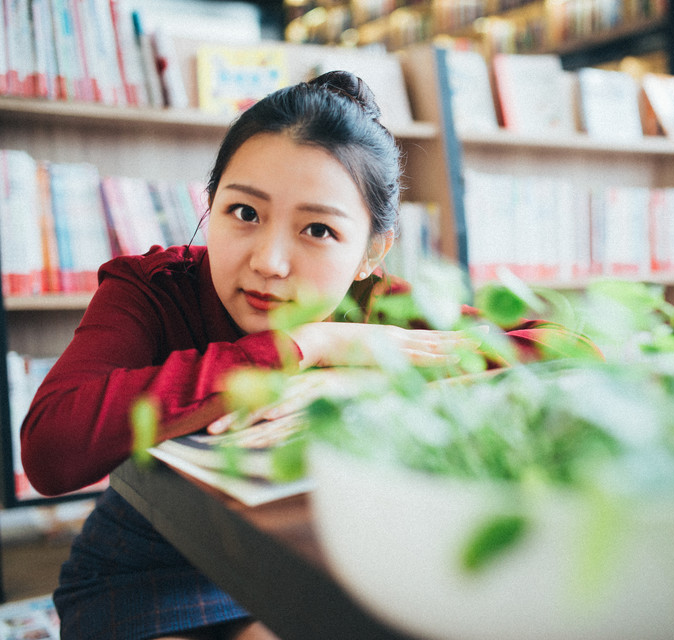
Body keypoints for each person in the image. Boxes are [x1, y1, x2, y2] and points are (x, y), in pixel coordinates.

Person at [19, 71, 598, 639]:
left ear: (373, 251)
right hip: (145, 568)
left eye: (317, 229)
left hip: (302, 563)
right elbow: (51, 450)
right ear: (212, 203)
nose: (269, 261)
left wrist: (358, 381)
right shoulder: (154, 288)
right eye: (244, 213)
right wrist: (306, 345)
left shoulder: (375, 306)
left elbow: (576, 353)